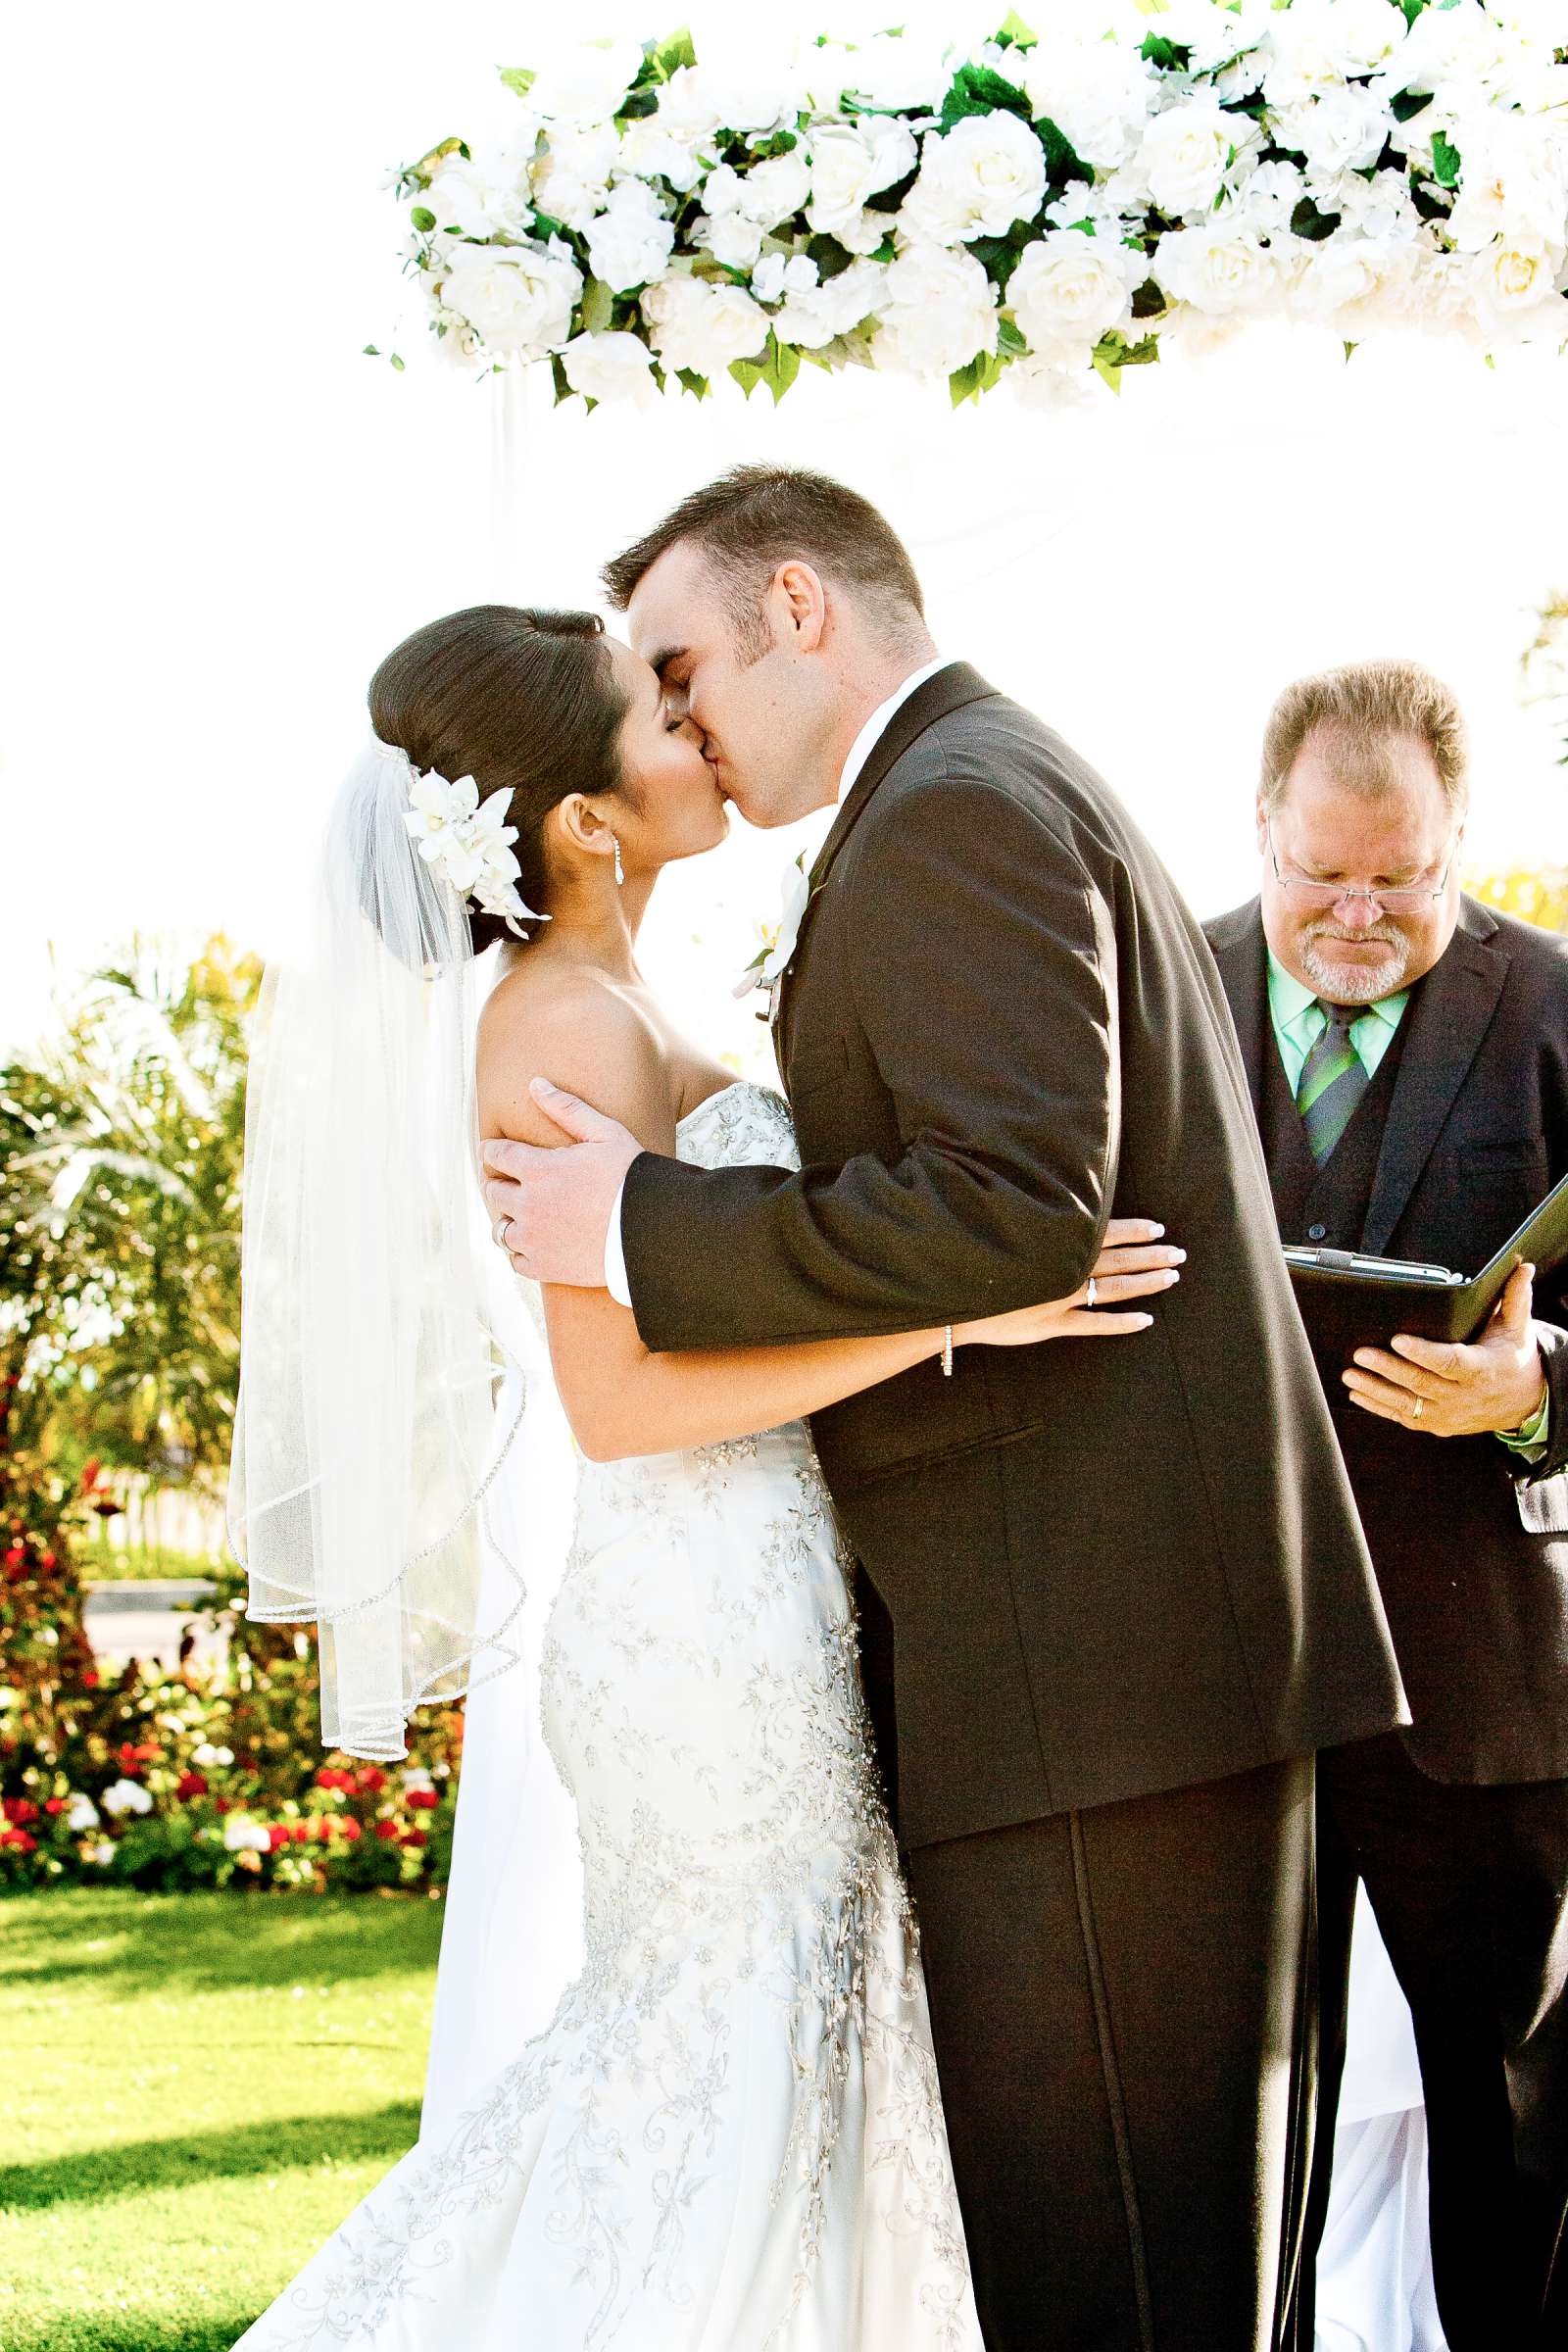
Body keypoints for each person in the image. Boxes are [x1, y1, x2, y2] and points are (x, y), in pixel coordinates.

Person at [480, 466, 1408, 2352]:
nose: (683, 729)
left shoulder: (954, 811)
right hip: (1110, 1677)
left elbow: (1011, 1207)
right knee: (1161, 2284)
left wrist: (644, 1221)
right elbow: (1025, 1220)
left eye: (684, 668)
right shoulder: (977, 781)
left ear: (798, 606)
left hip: (1091, 1685)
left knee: (1124, 2293)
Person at [226, 601, 1184, 2351]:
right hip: (701, 1633)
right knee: (728, 2048)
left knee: (787, 2041)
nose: (700, 720)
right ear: (583, 822)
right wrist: (973, 1314)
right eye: (658, 710)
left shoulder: (612, 997)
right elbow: (619, 1405)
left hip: (765, 1591)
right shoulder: (562, 1030)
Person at [1202, 657, 1568, 2351]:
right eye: (1318, 872)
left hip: (1478, 1691)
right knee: (1212, 2136)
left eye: (1400, 878)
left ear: (1461, 841)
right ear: (1261, 827)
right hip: (1210, 1682)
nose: (1355, 911)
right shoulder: (1157, 998)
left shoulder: (1557, 1008)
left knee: (1506, 2125)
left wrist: (1539, 1384)